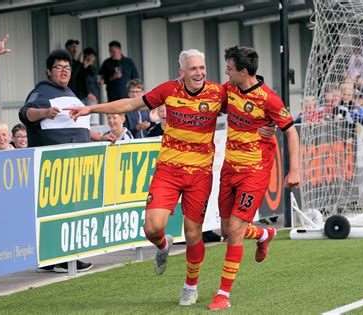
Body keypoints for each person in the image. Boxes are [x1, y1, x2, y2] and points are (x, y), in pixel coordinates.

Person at [66, 49, 277, 307]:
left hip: (200, 174)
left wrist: (268, 126)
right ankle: (163, 245)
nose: (199, 73)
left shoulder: (218, 92)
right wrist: (90, 109)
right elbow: (131, 104)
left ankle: (190, 286)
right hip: (168, 170)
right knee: (152, 228)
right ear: (182, 72)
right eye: (193, 69)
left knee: (192, 234)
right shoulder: (167, 91)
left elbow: (248, 106)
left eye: (202, 67)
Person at [208, 46, 300, 311]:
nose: (226, 71)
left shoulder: (268, 99)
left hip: (254, 173)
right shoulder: (230, 89)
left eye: (229, 67)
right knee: (227, 231)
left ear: (243, 71)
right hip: (229, 169)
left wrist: (294, 170)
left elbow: (291, 133)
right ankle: (263, 234)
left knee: (235, 230)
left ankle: (223, 294)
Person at [18, 49, 115, 273]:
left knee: (70, 212)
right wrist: (44, 112)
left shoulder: (72, 94)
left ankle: (64, 256)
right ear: (48, 71)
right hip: (53, 166)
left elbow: (79, 127)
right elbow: (25, 114)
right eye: (59, 68)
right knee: (55, 213)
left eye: (68, 68)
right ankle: (59, 258)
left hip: (74, 164)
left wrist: (99, 137)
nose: (64, 72)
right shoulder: (41, 91)